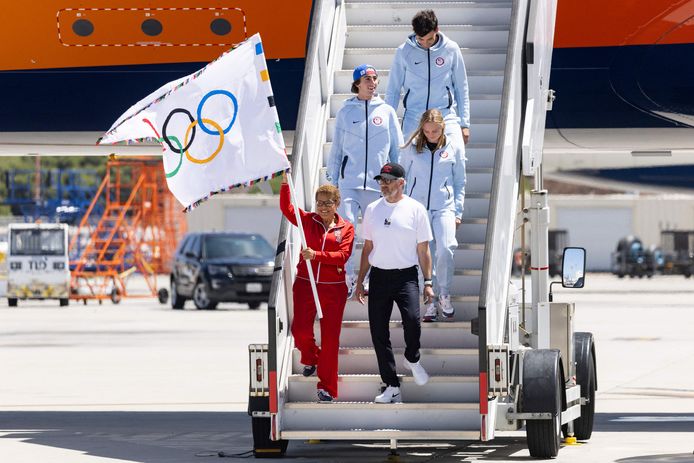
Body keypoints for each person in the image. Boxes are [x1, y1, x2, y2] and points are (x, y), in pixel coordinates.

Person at [355, 162, 433, 403]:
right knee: (378, 332)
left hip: (406, 276)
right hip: (379, 276)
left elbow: (424, 249)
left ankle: (413, 358)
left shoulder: (416, 209)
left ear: (402, 183)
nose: (384, 184)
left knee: (412, 321)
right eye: (381, 180)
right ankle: (391, 385)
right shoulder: (372, 209)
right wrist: (360, 281)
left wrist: (428, 281)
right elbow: (368, 247)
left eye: (389, 180)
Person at [327, 64, 403, 294]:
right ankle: (348, 277)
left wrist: (397, 181)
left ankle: (368, 278)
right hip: (349, 183)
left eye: (375, 78)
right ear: (357, 84)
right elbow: (337, 150)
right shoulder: (345, 112)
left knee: (374, 235)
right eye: (367, 79)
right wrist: (332, 183)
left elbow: (396, 151)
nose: (372, 83)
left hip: (377, 185)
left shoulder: (387, 111)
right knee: (346, 231)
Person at [279, 173, 355, 402]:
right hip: (305, 284)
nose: (322, 207)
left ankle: (327, 388)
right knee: (300, 331)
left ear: (337, 204)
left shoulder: (346, 228)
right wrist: (284, 183)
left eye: (327, 203)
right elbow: (286, 208)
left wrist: (317, 255)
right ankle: (311, 357)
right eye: (319, 202)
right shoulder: (307, 221)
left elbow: (342, 256)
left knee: (331, 340)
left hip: (333, 289)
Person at [400, 109, 466, 321]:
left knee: (445, 249)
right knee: (422, 254)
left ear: (443, 127)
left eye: (435, 131)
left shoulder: (453, 146)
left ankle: (444, 293)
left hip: (444, 207)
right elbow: (403, 178)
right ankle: (429, 301)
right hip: (417, 209)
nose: (431, 134)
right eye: (427, 131)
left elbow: (459, 181)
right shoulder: (412, 148)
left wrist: (458, 210)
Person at [385, 9, 470, 147]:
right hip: (414, 116)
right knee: (407, 160)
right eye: (420, 39)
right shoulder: (403, 51)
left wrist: (465, 123)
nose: (425, 44)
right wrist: (387, 122)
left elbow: (462, 87)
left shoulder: (451, 49)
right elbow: (393, 89)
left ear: (437, 29)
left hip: (445, 115)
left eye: (429, 39)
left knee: (457, 155)